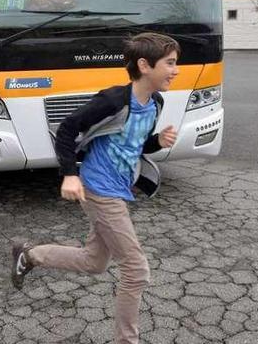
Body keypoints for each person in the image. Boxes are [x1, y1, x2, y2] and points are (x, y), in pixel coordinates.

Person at [10, 32, 180, 344]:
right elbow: (66, 129)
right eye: (169, 63)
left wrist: (158, 142)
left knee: (94, 261)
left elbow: (135, 144)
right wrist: (69, 174)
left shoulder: (155, 102)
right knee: (136, 269)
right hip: (99, 188)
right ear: (144, 65)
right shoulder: (113, 99)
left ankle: (30, 256)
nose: (176, 70)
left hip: (119, 187)